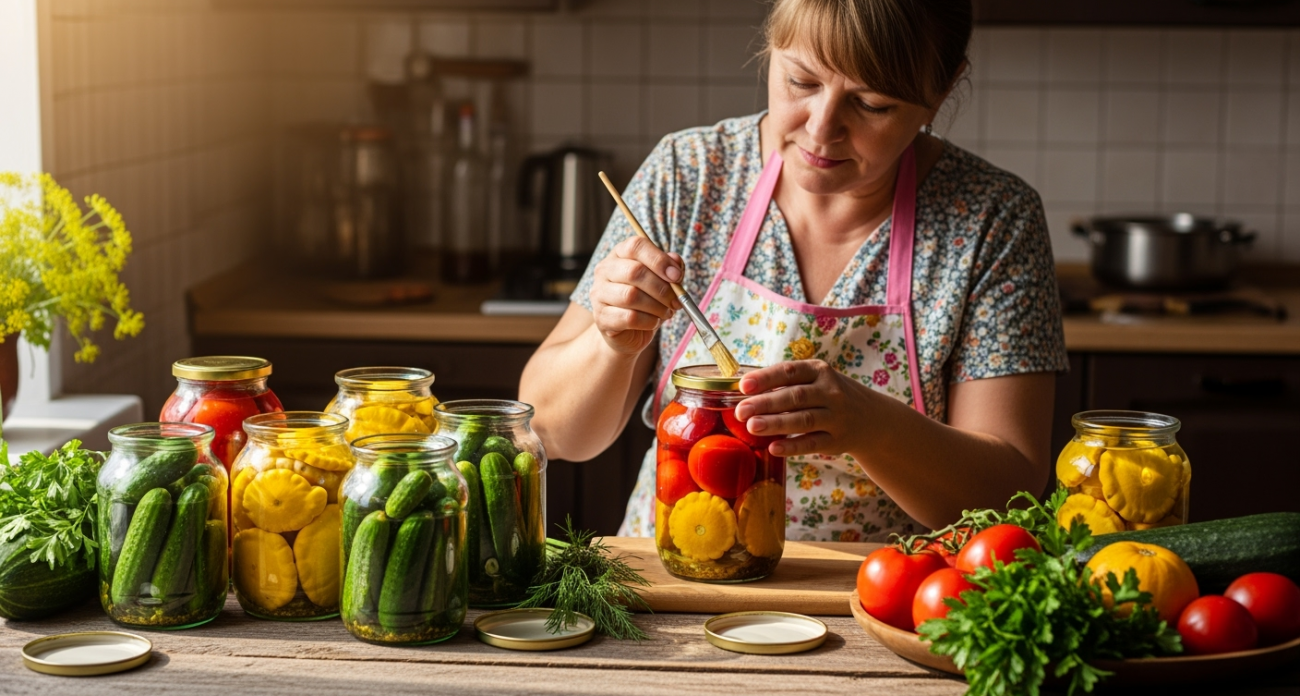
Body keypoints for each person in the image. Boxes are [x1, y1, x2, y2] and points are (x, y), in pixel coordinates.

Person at [518, 0, 1067, 541]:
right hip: (679, 579)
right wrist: (612, 344)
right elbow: (546, 428)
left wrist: (870, 427)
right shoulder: (688, 176)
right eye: (802, 82)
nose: (822, 129)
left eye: (872, 105)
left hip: (878, 599)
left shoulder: (995, 220)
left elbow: (1009, 492)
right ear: (771, 49)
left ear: (941, 91)